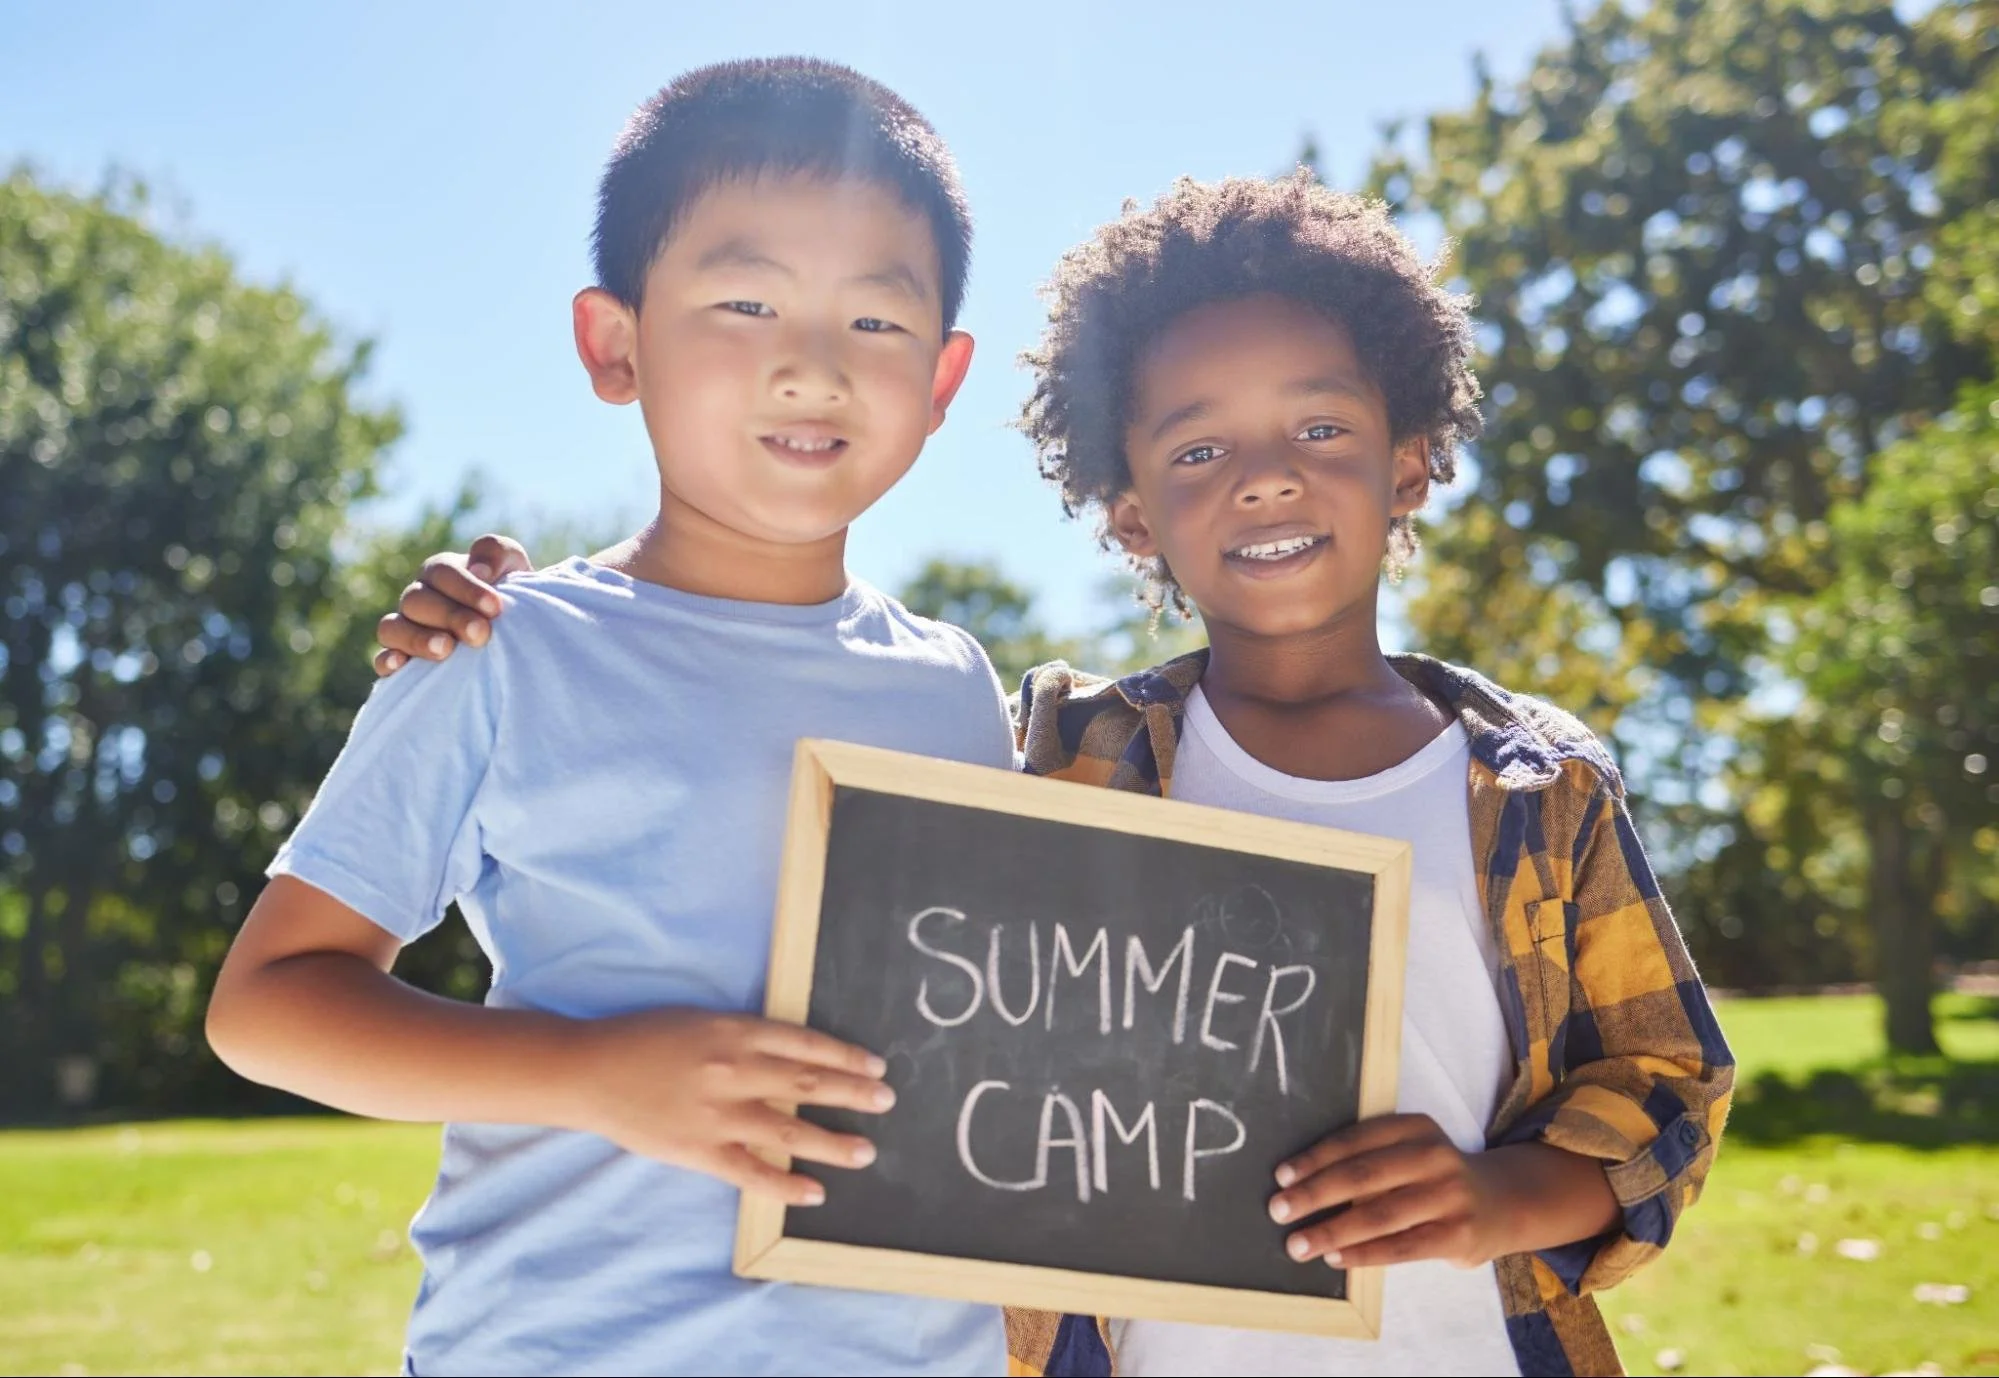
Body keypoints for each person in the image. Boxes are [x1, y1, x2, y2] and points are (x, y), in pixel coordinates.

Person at [379, 175, 1735, 1378]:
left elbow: (1663, 1080)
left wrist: (1499, 1197)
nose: (1264, 479)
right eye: (1198, 450)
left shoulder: (1539, 787)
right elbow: (784, 718)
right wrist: (530, 610)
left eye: (1320, 430)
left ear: (1410, 463)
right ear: (1133, 515)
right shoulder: (1060, 758)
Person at [205, 58, 1013, 1377]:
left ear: (941, 379)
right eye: (744, 301)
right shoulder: (501, 649)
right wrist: (592, 1076)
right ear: (615, 344)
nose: (810, 366)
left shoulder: (955, 686)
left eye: (875, 321)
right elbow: (268, 1004)